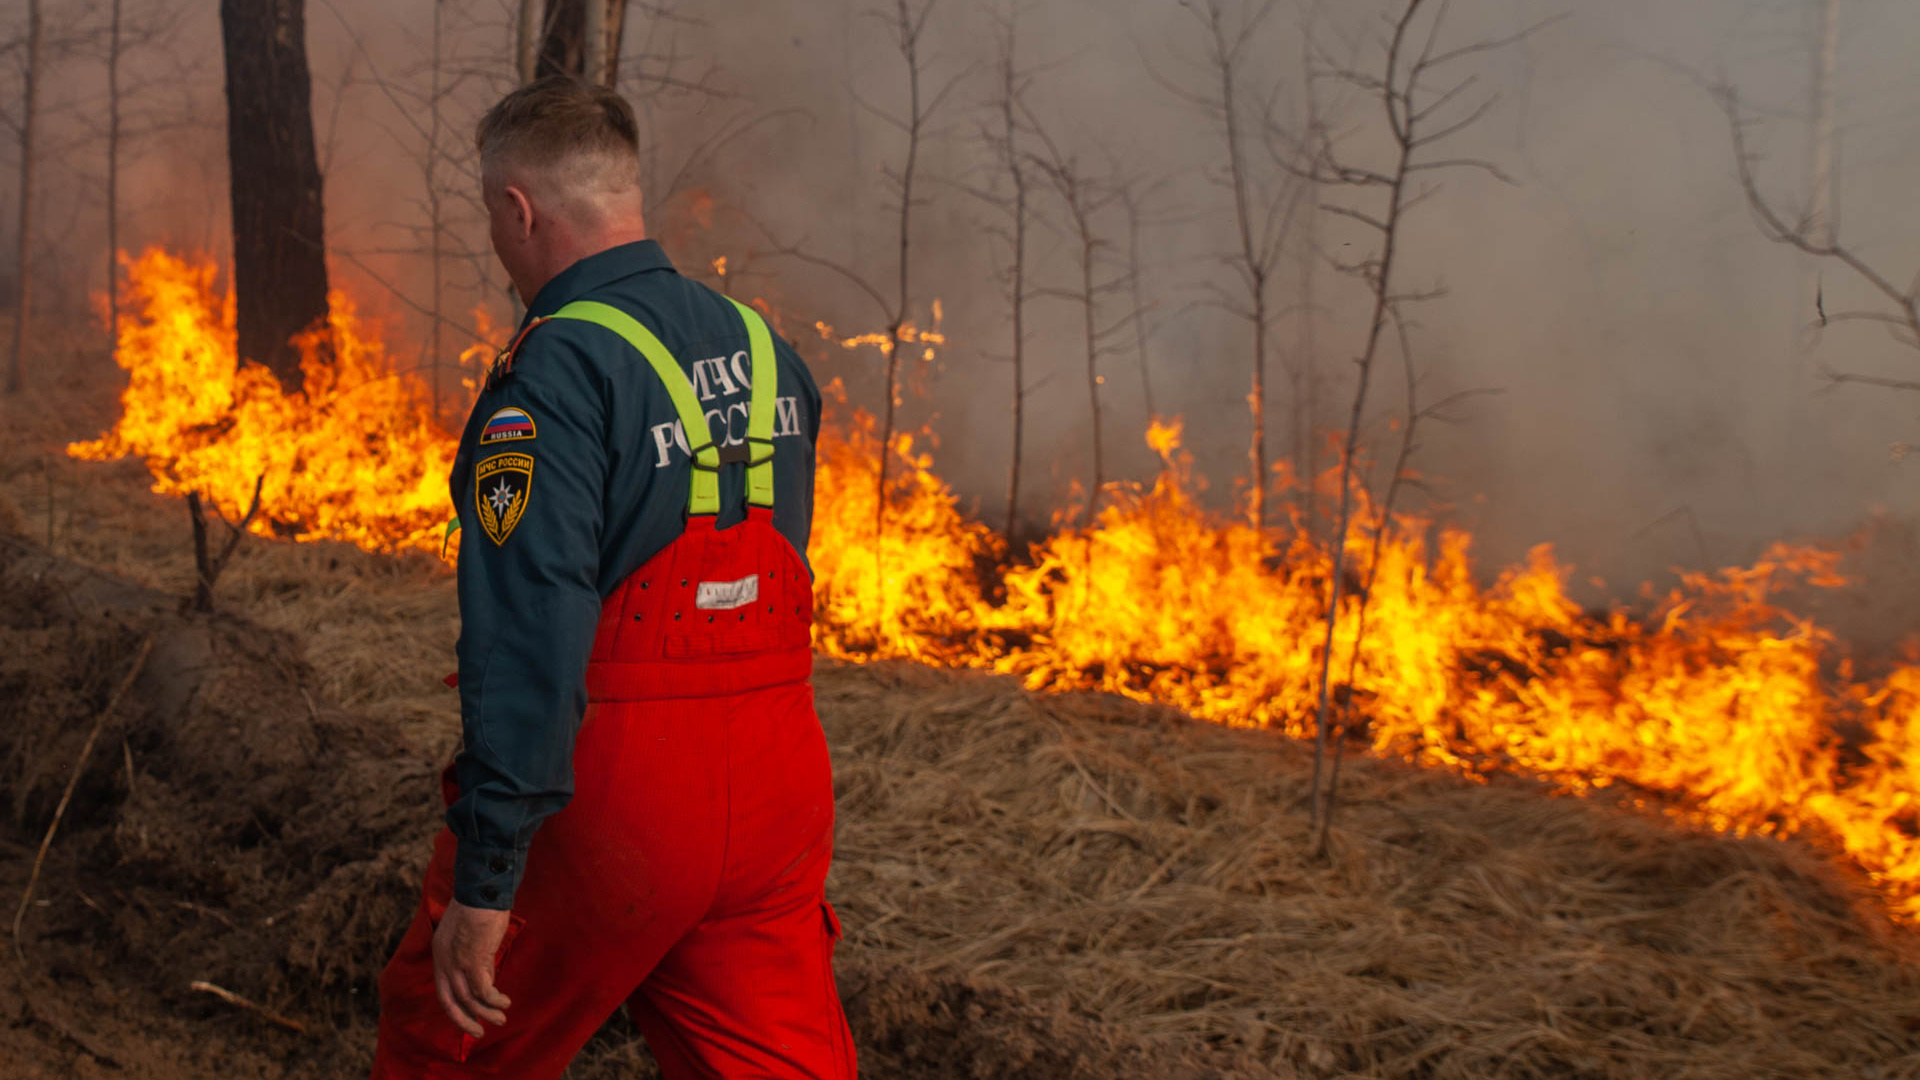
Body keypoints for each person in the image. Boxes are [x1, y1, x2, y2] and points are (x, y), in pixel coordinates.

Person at [370, 75, 855, 1080]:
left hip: (616, 793)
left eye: (492, 217)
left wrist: (489, 877)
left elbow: (530, 635)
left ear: (519, 208)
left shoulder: (551, 376)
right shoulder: (768, 350)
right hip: (779, 792)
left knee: (445, 1041)